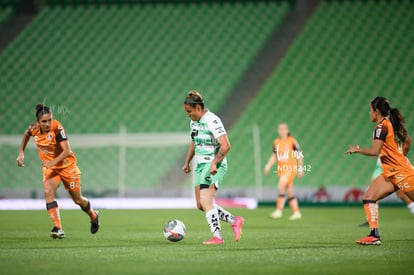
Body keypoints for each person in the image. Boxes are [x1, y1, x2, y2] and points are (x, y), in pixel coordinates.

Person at [17, 104, 100, 239]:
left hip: (67, 166)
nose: (47, 123)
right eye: (44, 121)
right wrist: (21, 153)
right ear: (38, 122)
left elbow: (66, 151)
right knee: (48, 193)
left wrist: (52, 162)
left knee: (78, 200)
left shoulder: (57, 128)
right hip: (51, 168)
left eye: (49, 120)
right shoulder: (33, 129)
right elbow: (27, 135)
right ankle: (58, 228)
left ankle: (93, 215)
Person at [346, 96, 414, 245]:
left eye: (370, 110)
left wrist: (357, 150)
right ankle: (374, 235)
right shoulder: (388, 124)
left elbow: (375, 151)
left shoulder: (381, 127)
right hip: (391, 173)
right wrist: (400, 157)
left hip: (402, 173)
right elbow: (407, 140)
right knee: (369, 196)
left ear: (376, 112)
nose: (369, 113)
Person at [182, 90, 244, 245]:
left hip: (213, 165)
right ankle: (235, 220)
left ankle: (218, 237)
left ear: (198, 108)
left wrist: (215, 162)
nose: (188, 115)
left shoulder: (212, 120)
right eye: (186, 113)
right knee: (200, 204)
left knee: (206, 199)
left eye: (190, 112)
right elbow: (193, 141)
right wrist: (187, 161)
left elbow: (226, 145)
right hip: (200, 165)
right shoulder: (193, 122)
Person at [264, 123, 304, 220]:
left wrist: (300, 168)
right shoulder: (276, 142)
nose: (281, 131)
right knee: (289, 191)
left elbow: (299, 154)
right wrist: (268, 166)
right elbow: (274, 155)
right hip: (281, 170)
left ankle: (279, 210)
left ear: (287, 130)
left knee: (281, 185)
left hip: (290, 169)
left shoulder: (292, 141)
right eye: (280, 129)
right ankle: (297, 212)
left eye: (283, 129)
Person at [359, 158, 414, 227]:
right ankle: (371, 221)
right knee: (371, 195)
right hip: (380, 167)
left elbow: (375, 151)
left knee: (401, 194)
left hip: (393, 167)